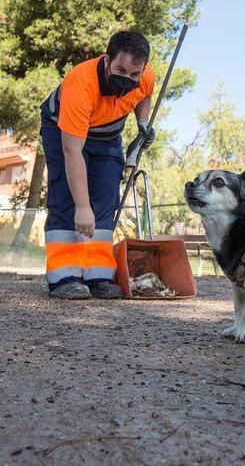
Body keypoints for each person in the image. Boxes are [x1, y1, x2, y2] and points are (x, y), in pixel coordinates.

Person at [39, 31, 156, 299]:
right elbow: (72, 152)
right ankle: (63, 277)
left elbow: (145, 94)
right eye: (120, 70)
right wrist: (82, 207)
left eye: (133, 74)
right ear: (106, 60)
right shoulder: (81, 82)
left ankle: (98, 275)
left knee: (105, 197)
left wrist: (142, 123)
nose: (127, 78)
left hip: (108, 135)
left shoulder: (145, 75)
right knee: (68, 199)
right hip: (63, 132)